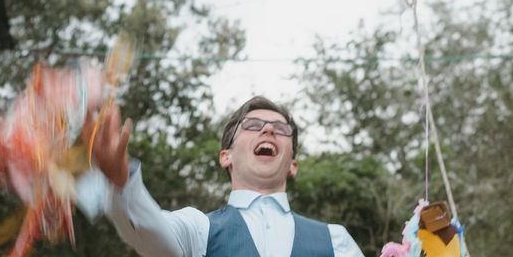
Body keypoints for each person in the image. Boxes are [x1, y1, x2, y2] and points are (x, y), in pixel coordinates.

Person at [89, 95, 364, 256]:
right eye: (253, 125)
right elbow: (150, 233)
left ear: (293, 164)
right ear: (226, 156)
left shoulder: (336, 241)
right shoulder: (199, 230)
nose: (268, 131)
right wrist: (121, 179)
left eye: (281, 129)